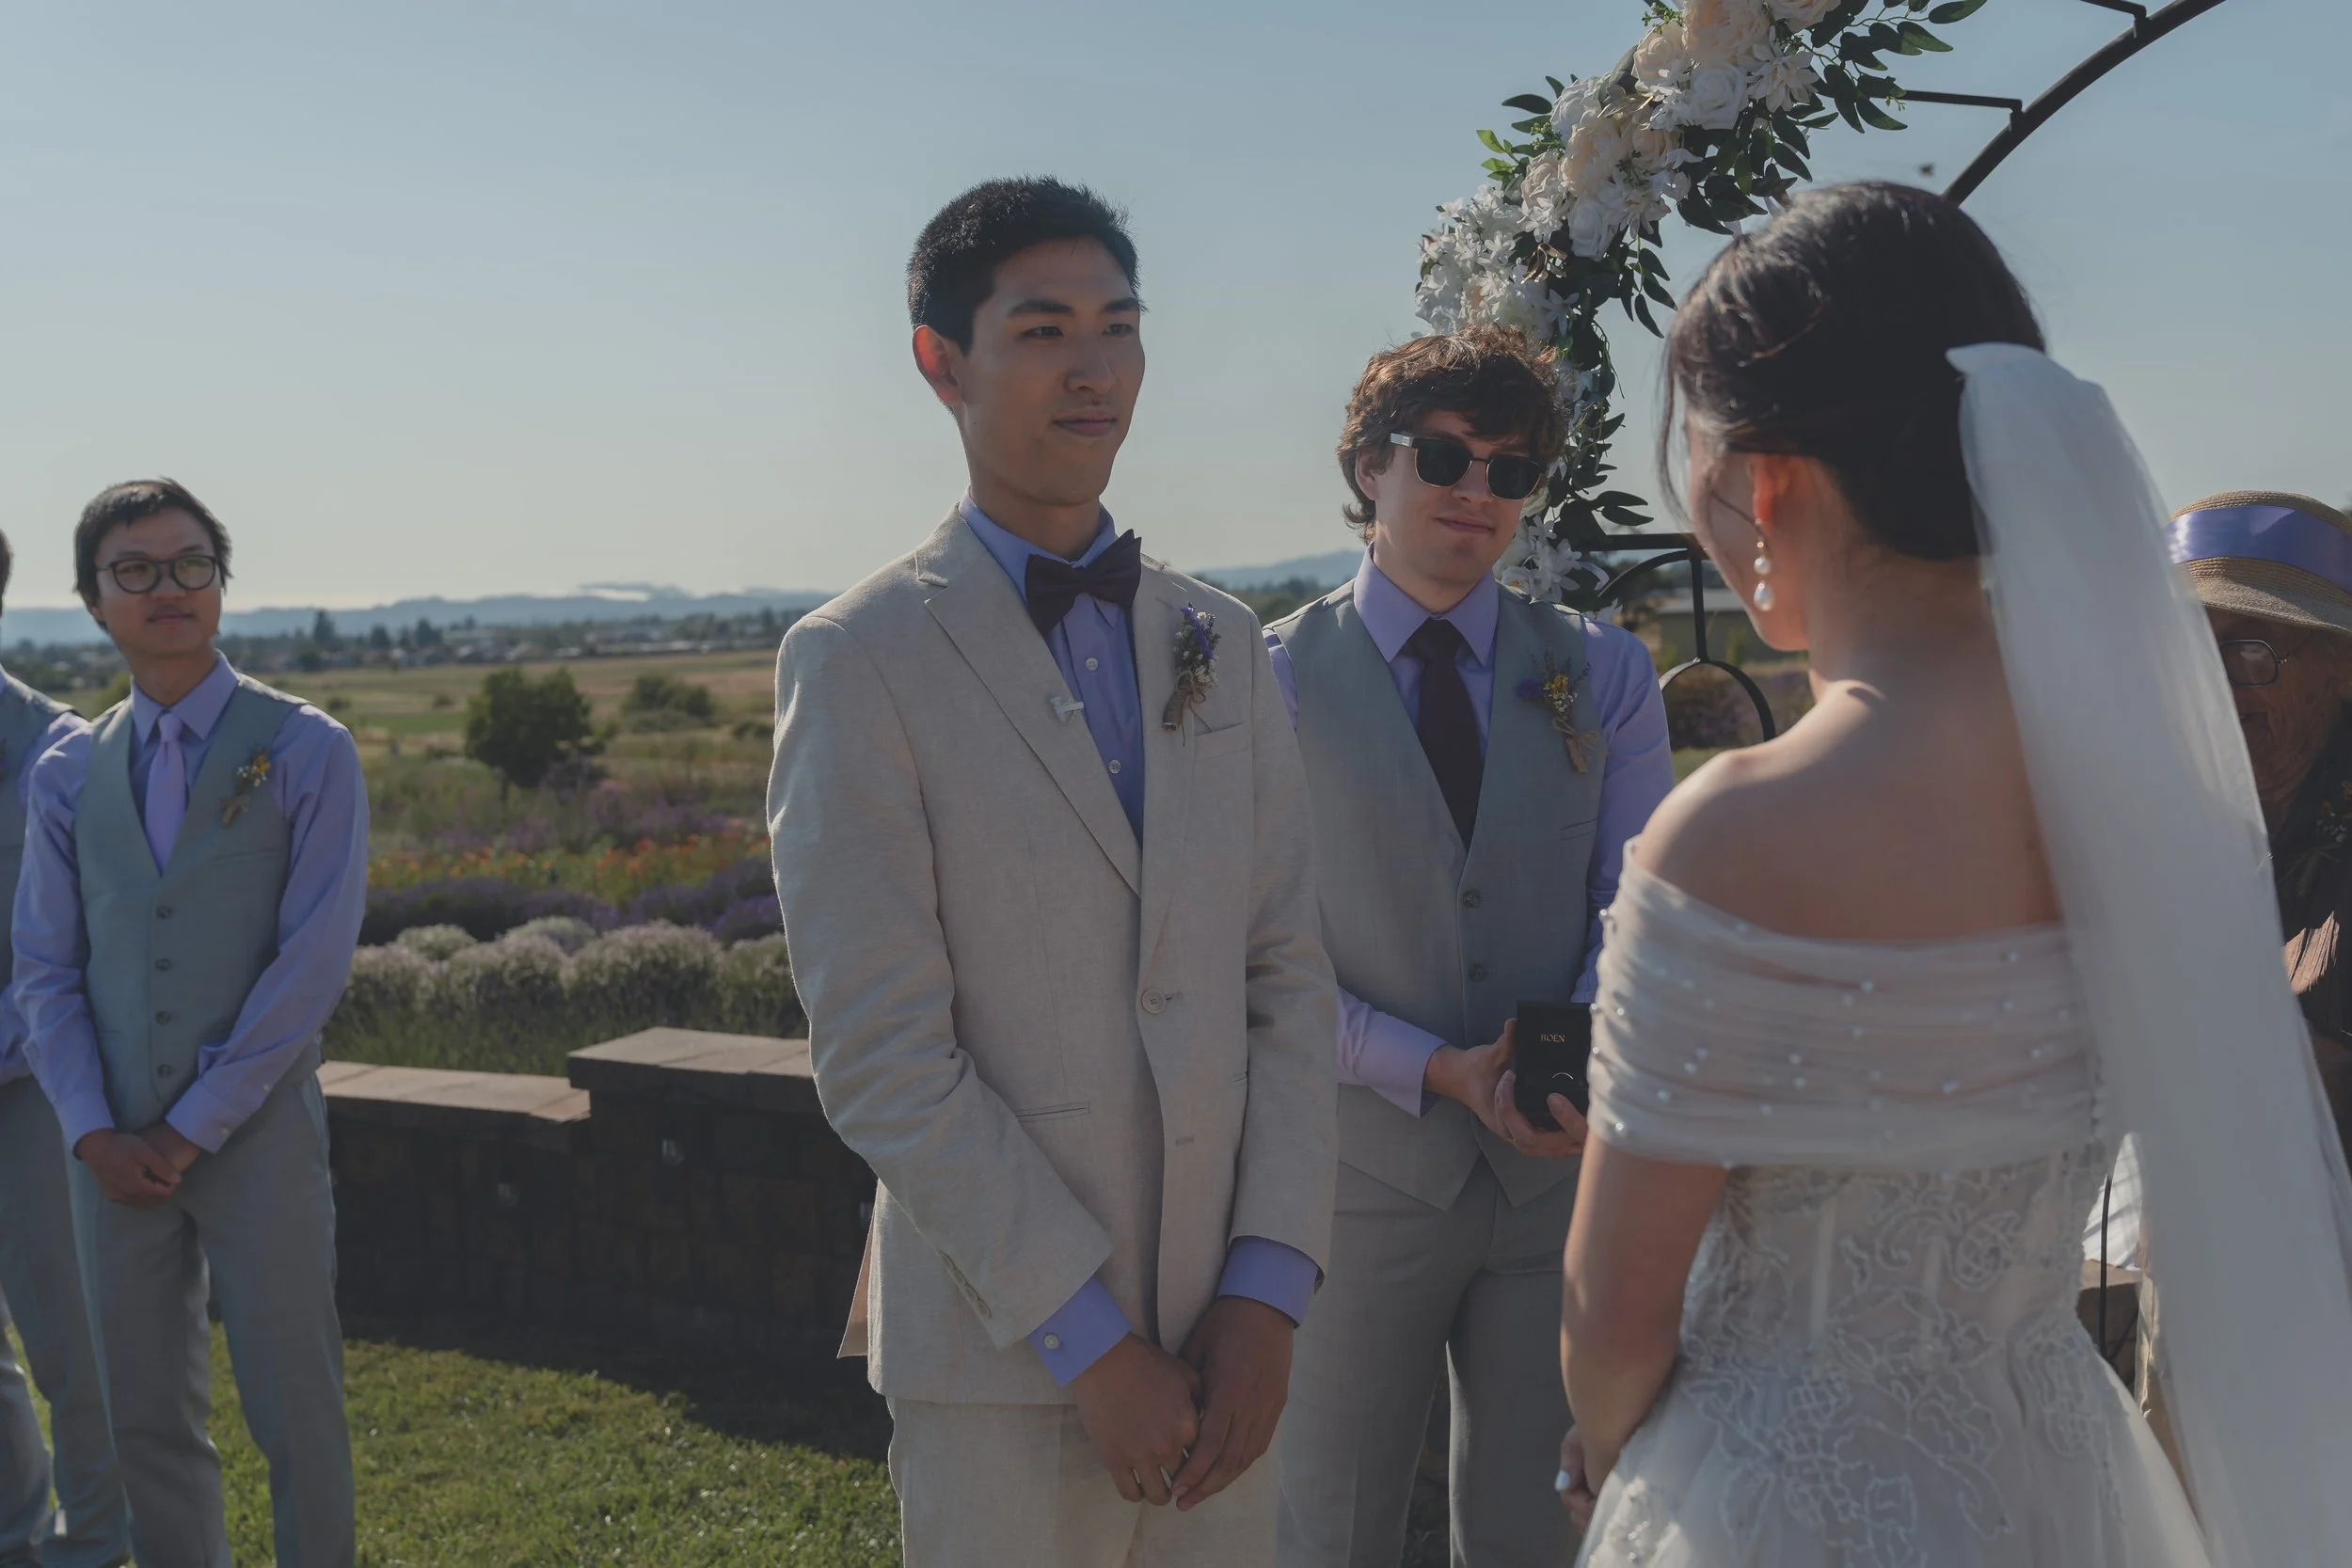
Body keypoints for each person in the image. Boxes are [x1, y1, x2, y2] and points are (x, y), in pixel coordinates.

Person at [1556, 182, 2352, 1566]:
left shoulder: (1738, 832)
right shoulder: (2157, 798)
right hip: (2062, 1473)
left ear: (1768, 478)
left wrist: (1624, 1465)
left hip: (1774, 1497)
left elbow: (1614, 1319)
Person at [767, 178, 1337, 1567]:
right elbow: (884, 1053)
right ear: (940, 361)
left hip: (1228, 1353)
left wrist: (1267, 1291)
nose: (1093, 367)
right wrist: (1089, 1339)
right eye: (1042, 329)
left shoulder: (1221, 637)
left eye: (1119, 325)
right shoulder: (859, 661)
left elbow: (1287, 972)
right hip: (1002, 1356)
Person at [1263, 328, 1671, 1567]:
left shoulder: (1600, 671)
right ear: (1368, 466)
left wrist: (1577, 1051)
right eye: (1444, 455)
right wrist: (1433, 1068)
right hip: (1353, 1184)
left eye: (1510, 469)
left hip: (1555, 1185)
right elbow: (1255, 953)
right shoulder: (1267, 680)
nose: (1475, 492)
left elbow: (1642, 899)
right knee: (1328, 1527)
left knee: (1541, 1530)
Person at [14, 480, 368, 1568]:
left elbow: (310, 968)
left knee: (293, 1408)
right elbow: (43, 971)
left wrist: (189, 1125)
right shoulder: (68, 769)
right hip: (107, 1150)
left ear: (220, 585)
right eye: (135, 568)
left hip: (255, 1137)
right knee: (142, 1417)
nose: (166, 587)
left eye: (189, 563)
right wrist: (91, 1129)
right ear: (91, 599)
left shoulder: (308, 749)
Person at [0, 529, 128, 1568]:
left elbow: (88, 938)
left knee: (68, 1335)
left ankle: (97, 1541)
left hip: (29, 1082)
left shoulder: (58, 748)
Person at [2171, 491, 2352, 1153]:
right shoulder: (2156, 826)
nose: (2211, 684)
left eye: (2249, 650)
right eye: (2186, 649)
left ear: (2344, 667)